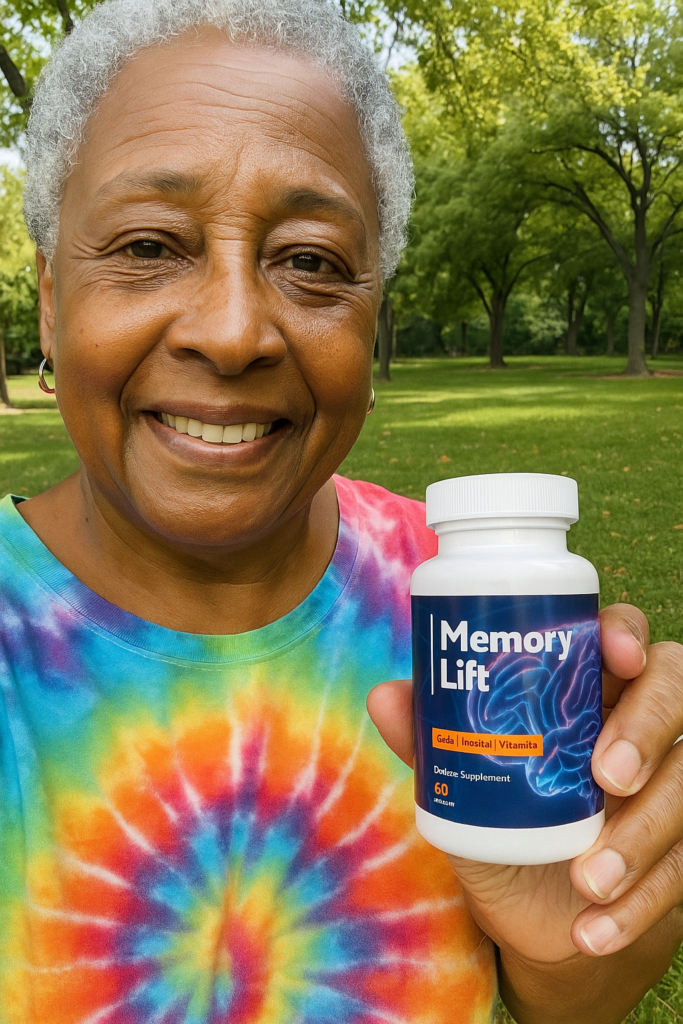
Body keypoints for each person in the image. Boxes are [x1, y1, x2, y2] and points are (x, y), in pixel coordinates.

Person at [1, 0, 681, 1021]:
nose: (233, 331)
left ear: (370, 318)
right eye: (148, 244)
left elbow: (579, 996)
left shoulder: (472, 621)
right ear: (52, 301)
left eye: (310, 260)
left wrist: (574, 919)